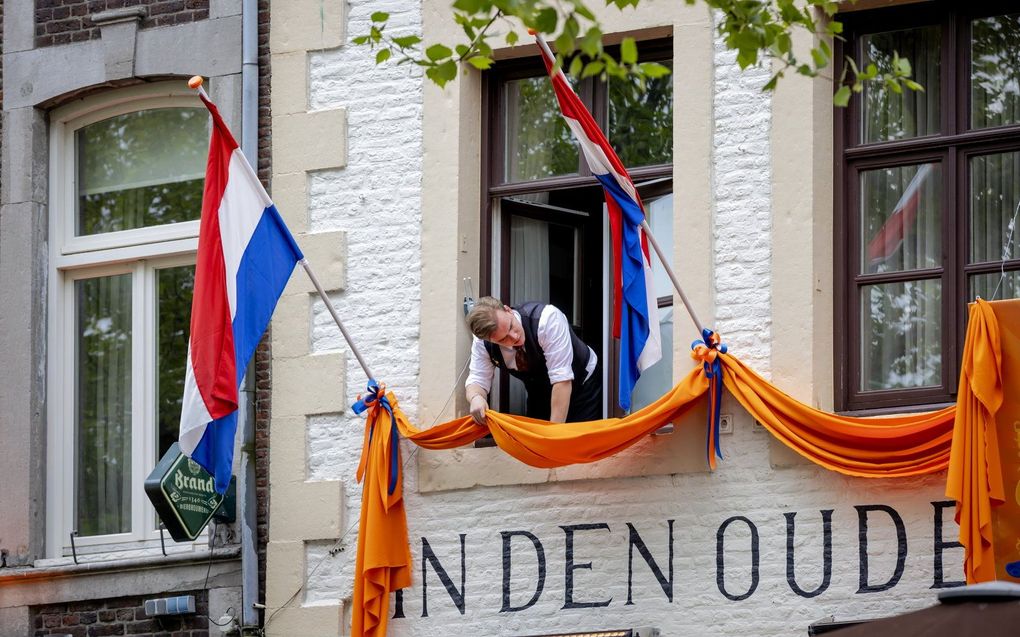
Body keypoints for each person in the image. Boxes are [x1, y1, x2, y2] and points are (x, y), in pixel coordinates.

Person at [464, 296, 601, 424]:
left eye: (511, 326)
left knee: (576, 443)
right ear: (490, 340)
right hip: (539, 390)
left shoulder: (547, 319)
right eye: (503, 339)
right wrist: (476, 398)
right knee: (536, 443)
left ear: (508, 310)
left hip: (582, 383)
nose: (514, 336)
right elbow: (477, 379)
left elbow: (562, 380)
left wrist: (553, 434)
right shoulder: (482, 344)